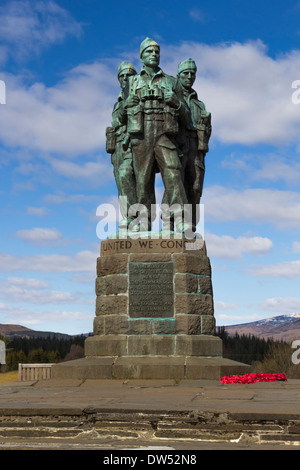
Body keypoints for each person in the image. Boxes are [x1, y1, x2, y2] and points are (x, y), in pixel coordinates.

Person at [124, 38, 193, 234]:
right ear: (141, 56)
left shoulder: (172, 81)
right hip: (141, 133)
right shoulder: (132, 82)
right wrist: (130, 103)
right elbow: (121, 115)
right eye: (149, 52)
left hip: (164, 133)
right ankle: (144, 221)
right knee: (143, 179)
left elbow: (187, 117)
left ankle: (180, 219)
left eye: (156, 52)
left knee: (173, 172)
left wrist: (177, 104)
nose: (153, 55)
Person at [177, 58, 212, 229]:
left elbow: (208, 130)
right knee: (177, 185)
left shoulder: (199, 104)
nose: (189, 76)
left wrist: (206, 126)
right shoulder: (174, 97)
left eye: (193, 74)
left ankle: (190, 224)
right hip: (179, 146)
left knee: (196, 187)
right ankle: (172, 222)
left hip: (196, 149)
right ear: (179, 75)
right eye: (186, 73)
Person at [106, 61, 137, 229]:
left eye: (129, 75)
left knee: (128, 176)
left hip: (134, 143)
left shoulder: (137, 96)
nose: (125, 78)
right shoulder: (118, 101)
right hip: (118, 145)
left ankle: (136, 217)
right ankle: (128, 218)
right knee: (121, 183)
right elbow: (116, 120)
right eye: (122, 76)